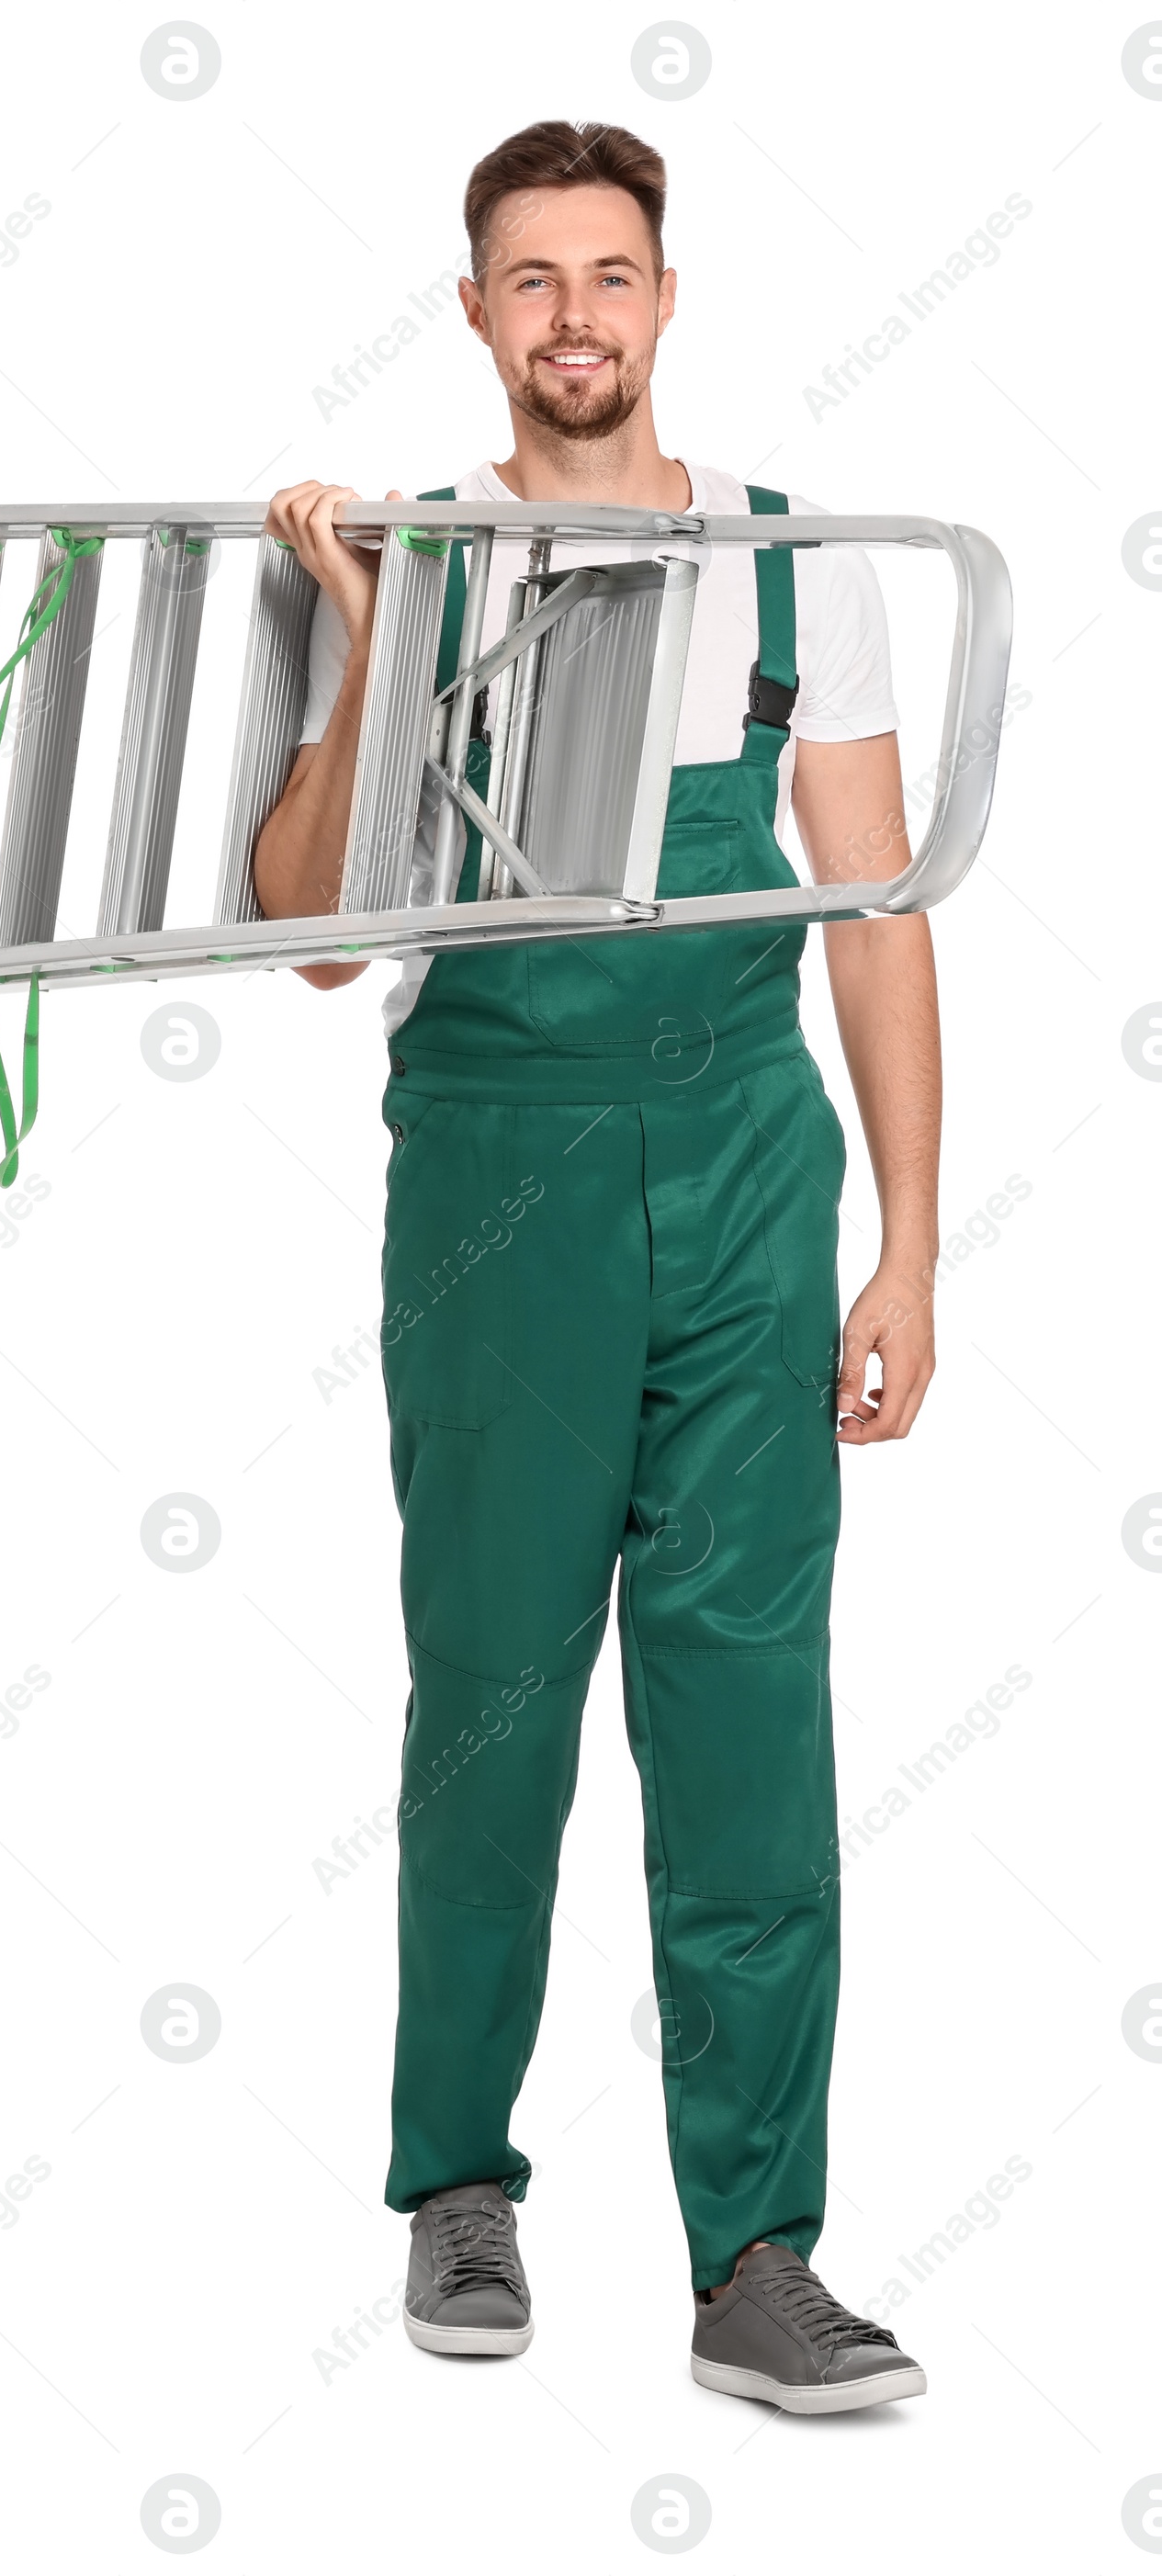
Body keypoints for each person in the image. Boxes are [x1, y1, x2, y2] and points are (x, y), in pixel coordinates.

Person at [254, 119, 937, 2415]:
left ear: (664, 299)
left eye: (610, 276)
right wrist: (368, 640)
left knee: (749, 1718)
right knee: (493, 1702)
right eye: (529, 280)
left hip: (750, 1171)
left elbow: (873, 914)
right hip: (501, 1177)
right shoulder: (411, 553)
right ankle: (459, 2179)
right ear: (473, 312)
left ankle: (756, 2255)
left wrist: (909, 1240)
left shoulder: (786, 560)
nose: (573, 318)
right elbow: (316, 946)